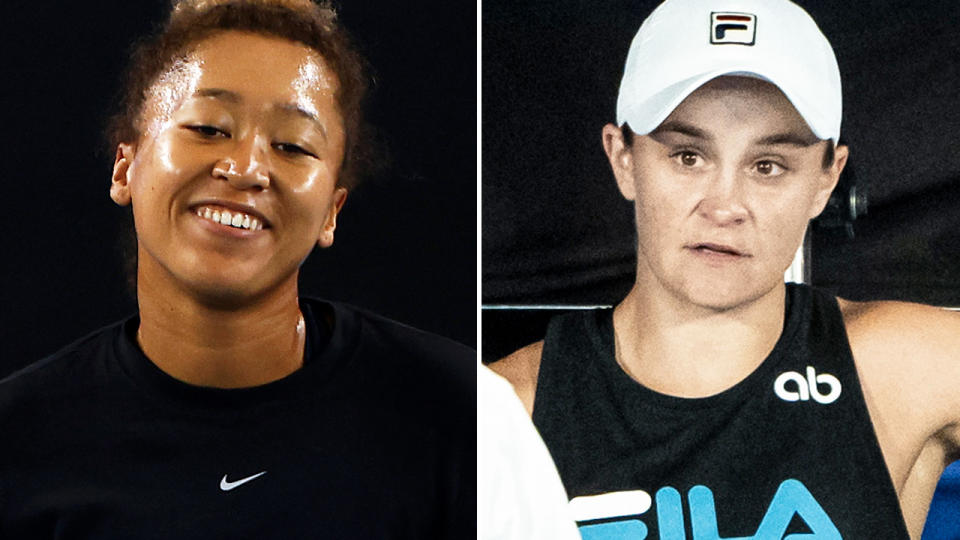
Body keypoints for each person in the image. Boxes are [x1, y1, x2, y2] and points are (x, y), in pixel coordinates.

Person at [0, 1, 474, 538]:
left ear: (331, 212)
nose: (246, 168)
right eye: (207, 128)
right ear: (124, 167)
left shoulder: (464, 417)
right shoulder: (17, 441)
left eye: (292, 145)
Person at [490, 0, 959, 538]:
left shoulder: (905, 367)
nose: (724, 205)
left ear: (827, 180)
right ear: (623, 158)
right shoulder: (509, 413)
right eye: (688, 156)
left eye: (767, 165)